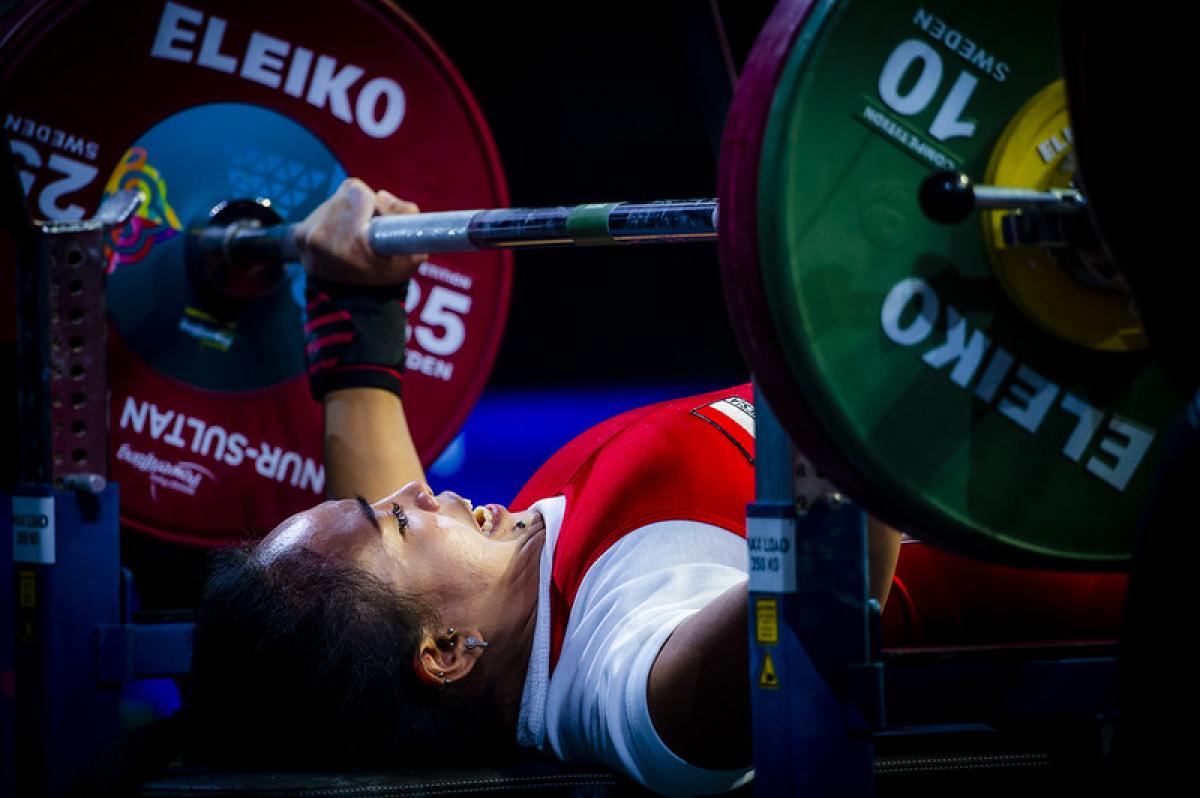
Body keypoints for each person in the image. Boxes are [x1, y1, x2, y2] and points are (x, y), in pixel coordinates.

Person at [180, 178, 903, 795]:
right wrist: (854, 306)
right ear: (447, 652)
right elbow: (819, 597)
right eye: (398, 523)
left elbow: (363, 582)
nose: (418, 493)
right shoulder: (623, 680)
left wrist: (356, 301)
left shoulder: (503, 576)